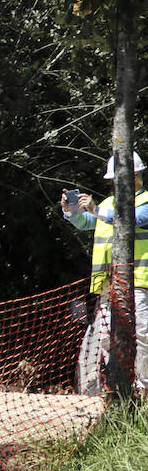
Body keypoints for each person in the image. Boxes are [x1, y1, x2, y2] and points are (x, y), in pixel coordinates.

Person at [61, 152, 148, 395]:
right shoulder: (108, 204)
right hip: (109, 285)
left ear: (136, 176)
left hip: (141, 282)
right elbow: (85, 222)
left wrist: (95, 209)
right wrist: (72, 211)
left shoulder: (145, 202)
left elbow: (131, 219)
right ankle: (118, 387)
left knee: (143, 336)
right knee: (106, 336)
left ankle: (144, 389)